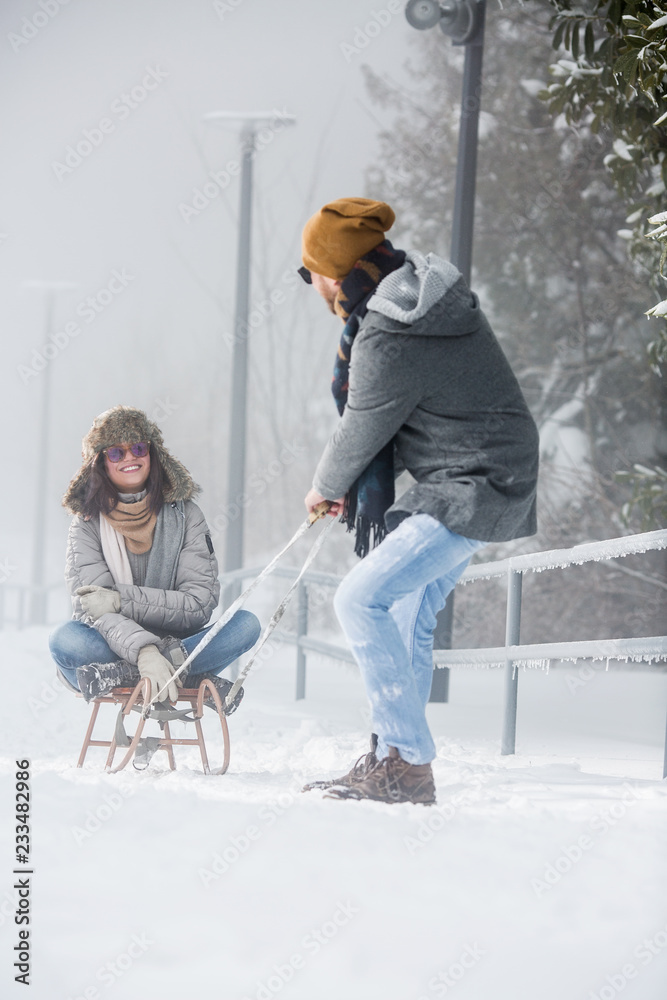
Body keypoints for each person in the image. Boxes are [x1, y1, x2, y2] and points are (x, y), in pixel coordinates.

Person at [300, 198, 539, 805]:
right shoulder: (419, 299)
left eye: (312, 272)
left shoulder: (387, 333)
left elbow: (363, 426)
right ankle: (390, 755)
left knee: (358, 599)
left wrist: (325, 487)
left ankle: (407, 763)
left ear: (337, 270)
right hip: (483, 474)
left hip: (471, 485)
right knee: (407, 611)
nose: (315, 286)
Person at [49, 405, 260, 712]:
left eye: (138, 447)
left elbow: (199, 605)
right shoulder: (86, 524)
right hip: (110, 644)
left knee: (246, 625)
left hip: (179, 640)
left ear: (153, 454)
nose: (130, 458)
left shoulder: (188, 516)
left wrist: (120, 599)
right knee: (66, 641)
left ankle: (127, 675)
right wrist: (145, 651)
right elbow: (94, 611)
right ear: (100, 463)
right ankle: (179, 673)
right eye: (115, 453)